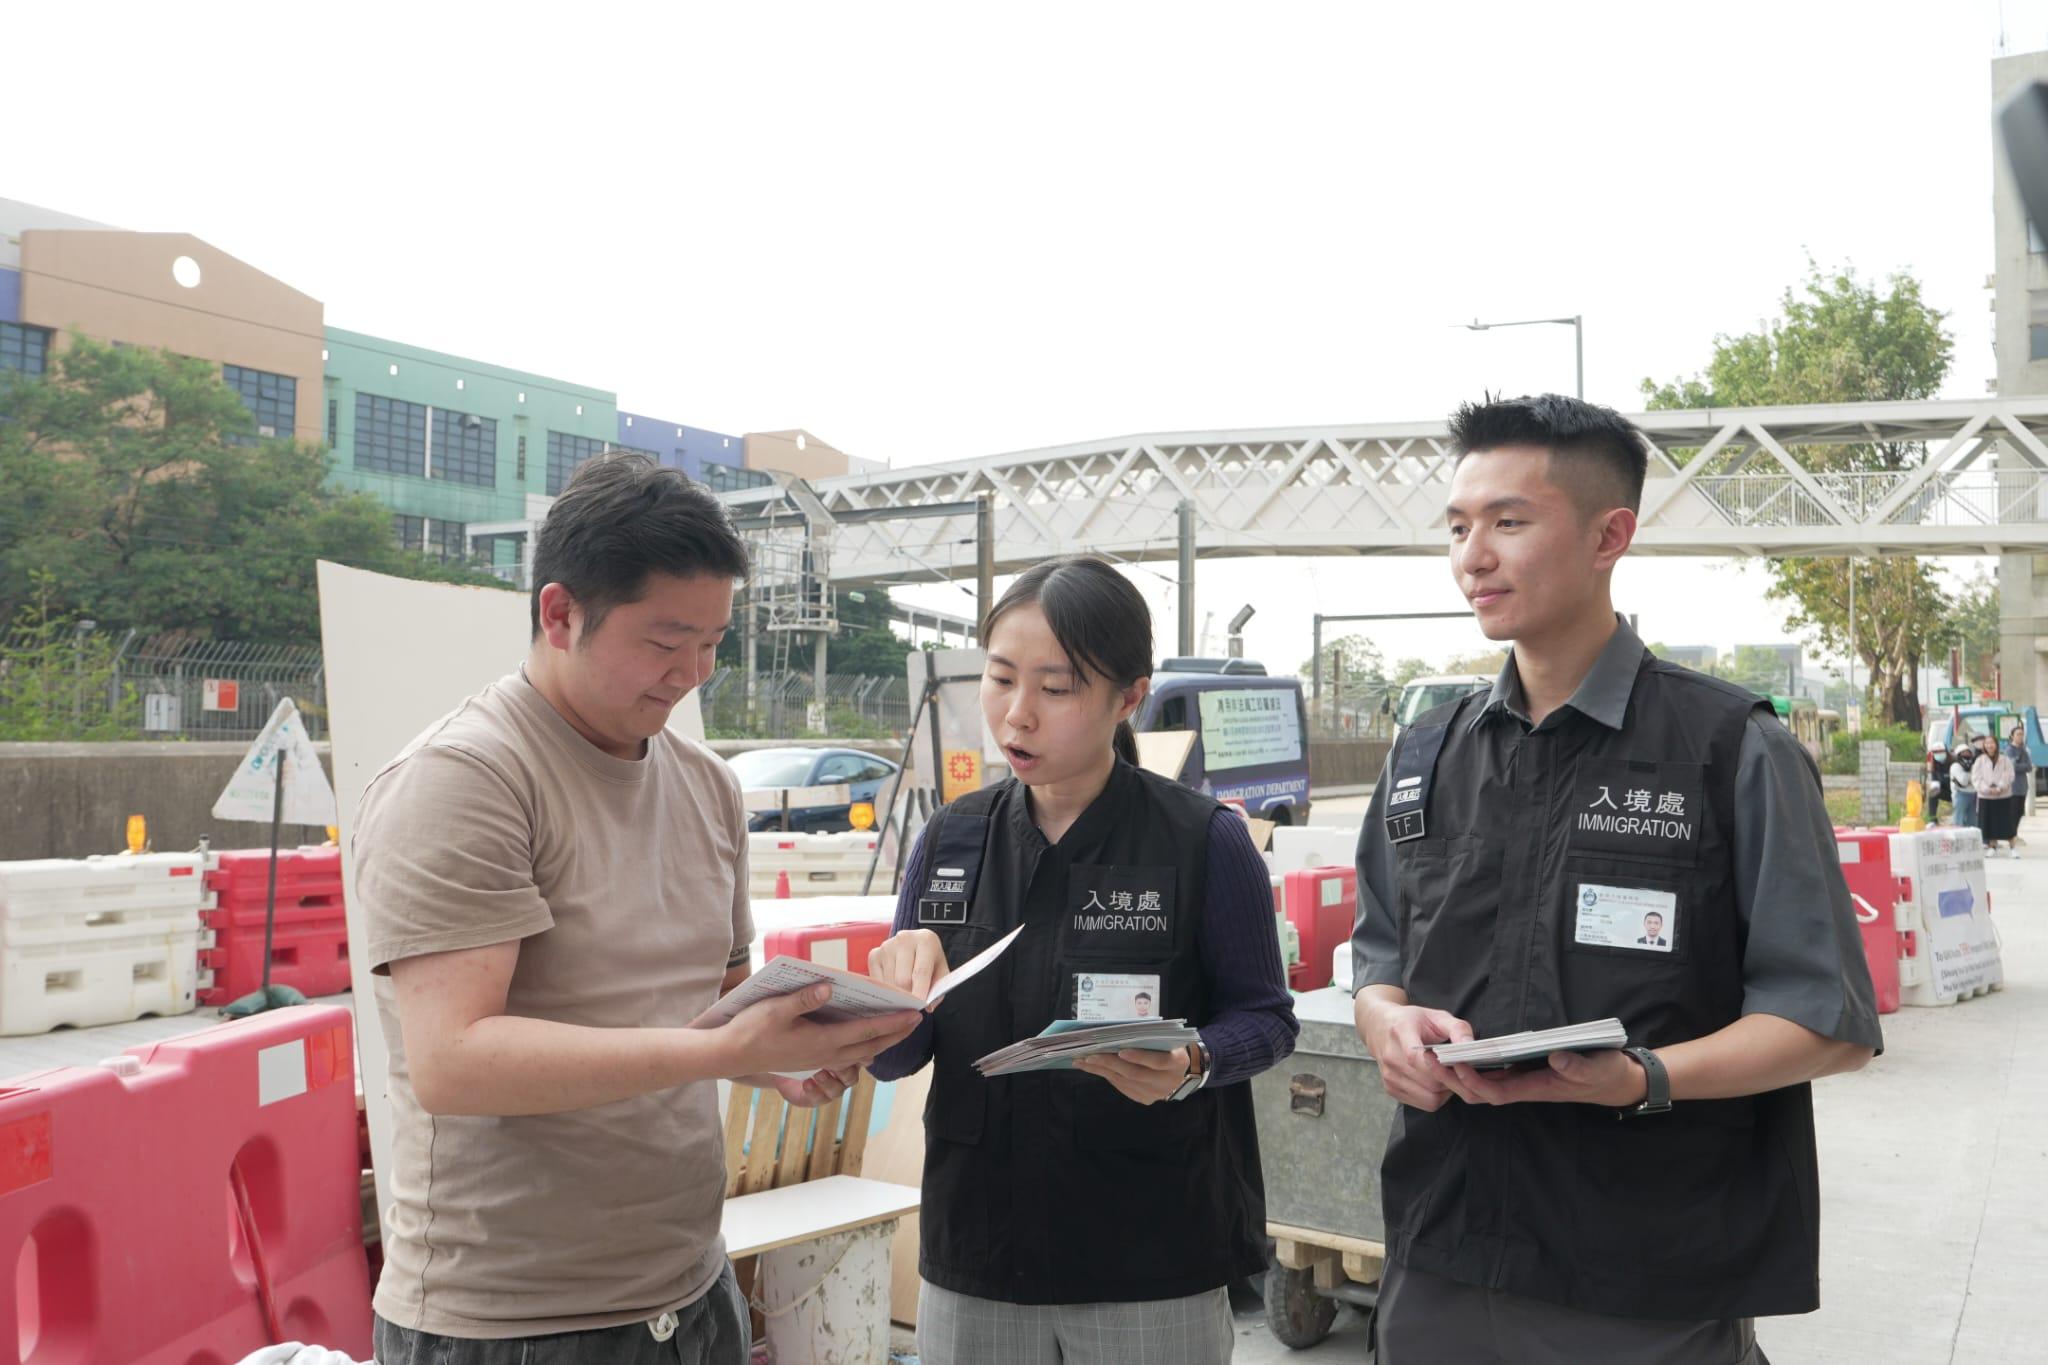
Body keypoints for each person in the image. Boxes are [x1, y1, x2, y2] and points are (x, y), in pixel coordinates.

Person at [355, 453, 922, 1363]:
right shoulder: (465, 781)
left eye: (712, 641)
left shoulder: (704, 784)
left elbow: (724, 998)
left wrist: (783, 1056)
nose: (693, 671)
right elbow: (454, 1060)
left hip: (693, 1289)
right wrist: (726, 1050)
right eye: (664, 642)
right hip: (513, 1322)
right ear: (559, 612)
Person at [1350, 394, 1882, 1365]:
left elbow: (1823, 1021)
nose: (1473, 554)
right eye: (1458, 527)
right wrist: (1385, 1024)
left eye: (1508, 522)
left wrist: (1642, 1079)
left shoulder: (1729, 750)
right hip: (1439, 1255)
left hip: (1647, 1279)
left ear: (1609, 535)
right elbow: (1378, 961)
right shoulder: (1424, 756)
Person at [867, 555, 1299, 1365]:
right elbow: (897, 1055)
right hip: (979, 1253)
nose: (1016, 715)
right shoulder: (951, 838)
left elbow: (1268, 1019)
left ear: (1128, 696)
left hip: (1150, 1255)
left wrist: (1196, 1058)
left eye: (1056, 689)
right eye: (999, 679)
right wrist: (885, 996)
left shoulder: (1203, 839)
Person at [1973, 732, 2020, 856]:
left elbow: (2009, 775)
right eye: (1987, 743)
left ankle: (2013, 847)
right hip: (1986, 796)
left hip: (2003, 796)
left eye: (1992, 743)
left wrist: (2000, 787)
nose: (1989, 745)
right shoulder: (1980, 760)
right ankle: (1992, 846)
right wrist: (1987, 789)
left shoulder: (2004, 759)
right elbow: (1976, 778)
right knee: (1989, 823)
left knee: (2007, 823)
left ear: (1996, 745)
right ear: (1984, 745)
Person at [2006, 723, 2033, 828]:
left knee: (2020, 813)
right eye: (2018, 734)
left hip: (2022, 787)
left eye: (2022, 734)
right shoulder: (2009, 750)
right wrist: (2023, 766)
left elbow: (2029, 767)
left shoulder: (2024, 750)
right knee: (2012, 812)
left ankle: (2014, 833)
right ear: (2012, 736)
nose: (2020, 736)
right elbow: (2012, 766)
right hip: (2013, 788)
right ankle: (2011, 834)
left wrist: (2021, 766)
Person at [1951, 737, 1979, 831]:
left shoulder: (1974, 765)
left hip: (1973, 794)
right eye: (1963, 753)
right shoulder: (1955, 766)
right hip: (1960, 794)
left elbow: (1977, 779)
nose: (1966, 755)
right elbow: (1963, 781)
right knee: (1959, 819)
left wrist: (1971, 776)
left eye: (1968, 752)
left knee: (1972, 820)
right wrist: (1971, 774)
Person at [1925, 746, 1951, 825]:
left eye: (1941, 751)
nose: (1938, 754)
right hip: (1946, 791)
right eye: (1936, 752)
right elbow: (1935, 783)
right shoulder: (1935, 766)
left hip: (1957, 791)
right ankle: (1932, 819)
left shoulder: (1953, 762)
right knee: (1932, 794)